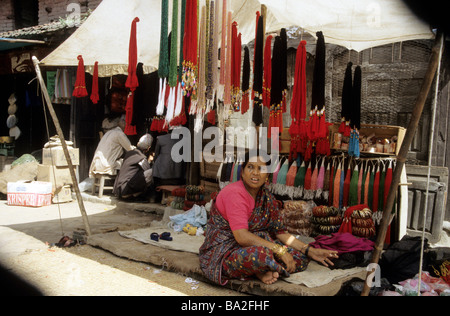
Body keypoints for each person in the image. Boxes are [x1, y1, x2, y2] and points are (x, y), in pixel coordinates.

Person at [199, 151, 339, 286]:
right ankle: (262, 268)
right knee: (259, 256)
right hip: (226, 250)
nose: (255, 172)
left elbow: (281, 233)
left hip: (258, 243)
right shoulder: (234, 193)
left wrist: (309, 250)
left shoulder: (267, 198)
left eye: (261, 168)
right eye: (250, 167)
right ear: (242, 171)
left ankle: (265, 269)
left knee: (300, 257)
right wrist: (279, 251)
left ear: (267, 174)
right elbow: (241, 237)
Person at [113, 134, 154, 200]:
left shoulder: (129, 153)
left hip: (119, 190)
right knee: (152, 172)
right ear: (148, 148)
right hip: (126, 190)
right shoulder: (141, 158)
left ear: (138, 144)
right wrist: (149, 161)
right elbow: (147, 170)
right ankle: (139, 195)